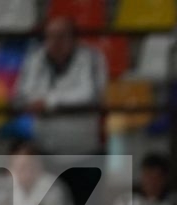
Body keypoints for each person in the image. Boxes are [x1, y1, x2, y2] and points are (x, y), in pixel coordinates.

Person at [15, 16, 108, 155]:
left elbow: (90, 95)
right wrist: (64, 96)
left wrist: (48, 101)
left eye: (62, 36)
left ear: (74, 38)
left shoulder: (92, 58)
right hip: (44, 148)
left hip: (84, 149)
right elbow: (23, 94)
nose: (55, 41)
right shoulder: (35, 59)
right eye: (50, 36)